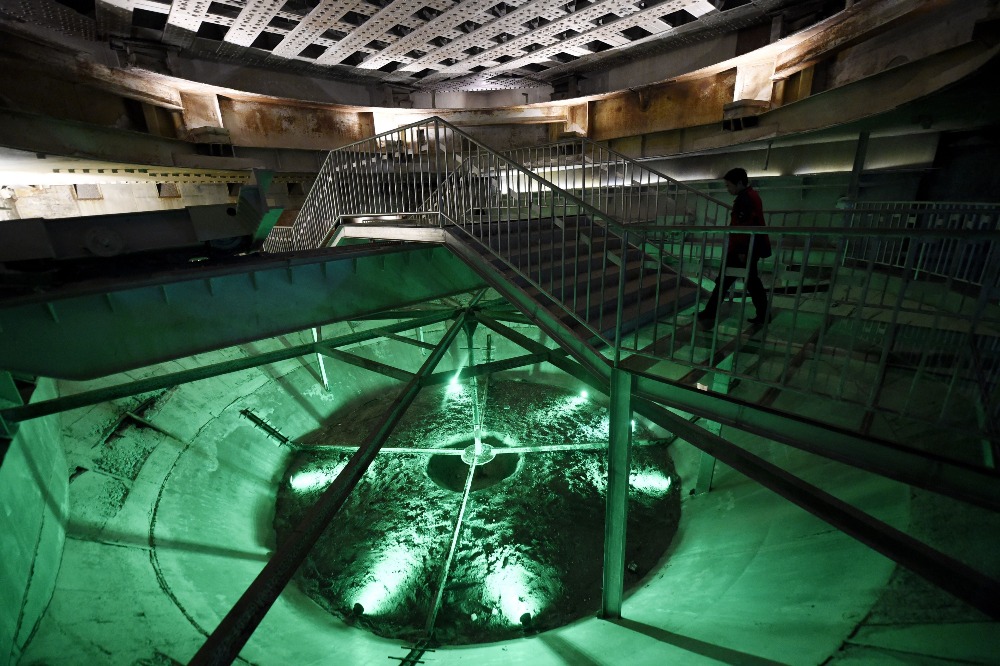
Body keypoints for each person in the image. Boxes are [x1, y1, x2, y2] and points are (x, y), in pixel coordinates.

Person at [697, 168, 772, 324]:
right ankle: (763, 315)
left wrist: (741, 251)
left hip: (743, 249)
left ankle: (710, 313)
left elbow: (744, 227)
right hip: (747, 248)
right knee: (745, 281)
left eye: (729, 185)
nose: (728, 189)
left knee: (733, 281)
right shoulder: (751, 196)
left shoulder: (746, 199)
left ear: (739, 183)